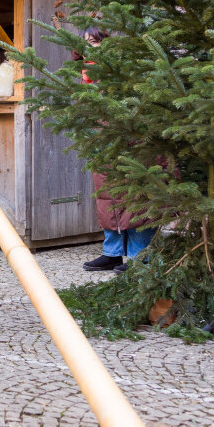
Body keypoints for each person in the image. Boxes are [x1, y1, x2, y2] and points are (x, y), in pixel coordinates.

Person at [76, 28, 157, 273]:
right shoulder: (87, 68)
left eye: (94, 42)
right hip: (101, 133)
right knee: (107, 193)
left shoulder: (123, 67)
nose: (90, 47)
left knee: (134, 195)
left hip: (128, 134)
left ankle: (139, 255)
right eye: (85, 43)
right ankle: (112, 253)